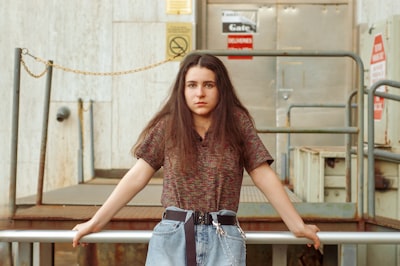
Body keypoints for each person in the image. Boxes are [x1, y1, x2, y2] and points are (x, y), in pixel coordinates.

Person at [72, 53, 320, 265]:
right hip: (173, 235)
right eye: (192, 85)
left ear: (220, 88)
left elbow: (262, 174)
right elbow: (137, 177)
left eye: (208, 85)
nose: (199, 93)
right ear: (182, 89)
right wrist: (95, 222)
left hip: (224, 236)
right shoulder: (168, 126)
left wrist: (296, 224)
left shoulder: (237, 123)